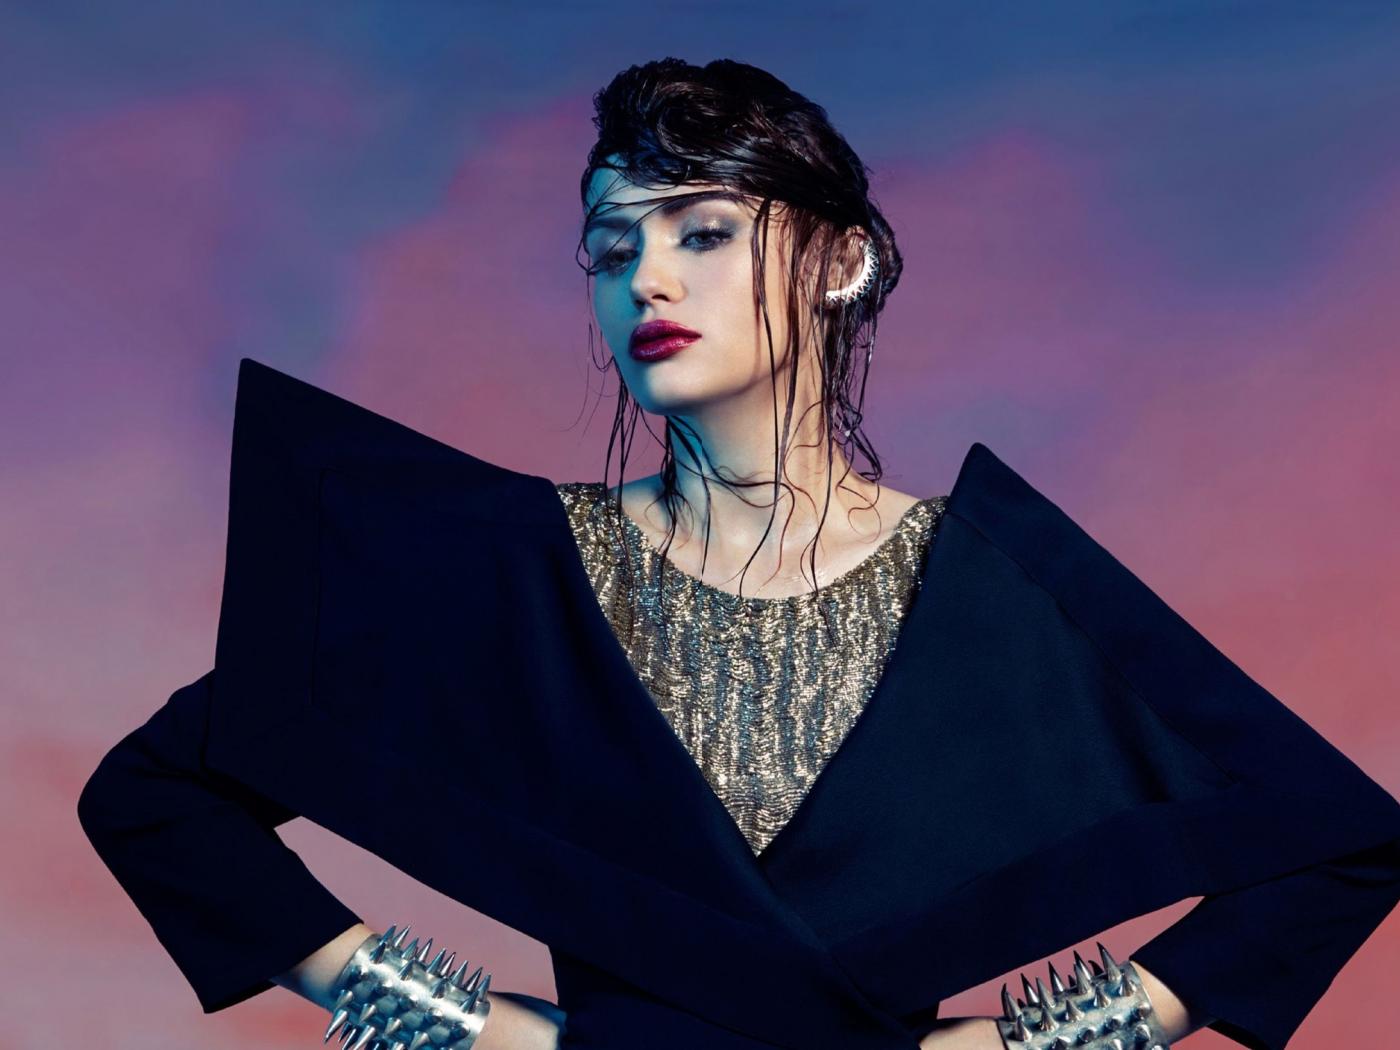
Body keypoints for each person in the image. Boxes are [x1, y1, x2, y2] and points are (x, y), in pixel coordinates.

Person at [76, 58, 1400, 1050]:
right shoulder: (516, 579)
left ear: (839, 260)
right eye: (613, 249)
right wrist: (445, 1017)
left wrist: (1056, 1040)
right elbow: (156, 794)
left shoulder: (991, 590)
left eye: (701, 232)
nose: (645, 279)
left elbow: (1335, 841)